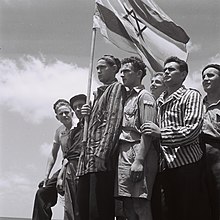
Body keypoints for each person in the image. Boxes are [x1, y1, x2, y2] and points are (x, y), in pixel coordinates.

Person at [141, 56, 211, 220]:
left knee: (186, 212)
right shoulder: (158, 101)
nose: (166, 72)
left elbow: (192, 129)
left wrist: (161, 134)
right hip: (163, 166)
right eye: (165, 69)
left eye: (171, 69)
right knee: (165, 212)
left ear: (183, 75)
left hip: (186, 165)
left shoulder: (190, 95)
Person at [76, 55, 126, 220]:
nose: (98, 71)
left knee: (100, 207)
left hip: (100, 159)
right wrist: (86, 116)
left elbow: (113, 120)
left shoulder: (116, 88)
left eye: (103, 67)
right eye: (97, 68)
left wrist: (103, 152)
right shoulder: (96, 95)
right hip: (86, 160)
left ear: (114, 69)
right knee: (84, 208)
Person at [115, 56, 158, 220]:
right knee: (128, 205)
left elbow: (147, 131)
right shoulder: (126, 98)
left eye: (126, 71)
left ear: (139, 73)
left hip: (138, 151)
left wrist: (139, 161)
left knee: (140, 203)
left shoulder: (145, 97)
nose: (122, 74)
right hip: (124, 152)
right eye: (121, 71)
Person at [32, 95, 86, 220]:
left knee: (73, 202)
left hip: (76, 164)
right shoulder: (59, 131)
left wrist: (61, 177)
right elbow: (53, 154)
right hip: (64, 165)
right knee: (42, 192)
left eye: (67, 112)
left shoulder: (79, 126)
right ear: (57, 117)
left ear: (72, 112)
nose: (64, 115)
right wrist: (46, 176)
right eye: (61, 113)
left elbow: (72, 155)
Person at [201, 64, 220, 220]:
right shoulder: (196, 105)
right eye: (204, 76)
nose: (206, 79)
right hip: (196, 157)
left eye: (211, 75)